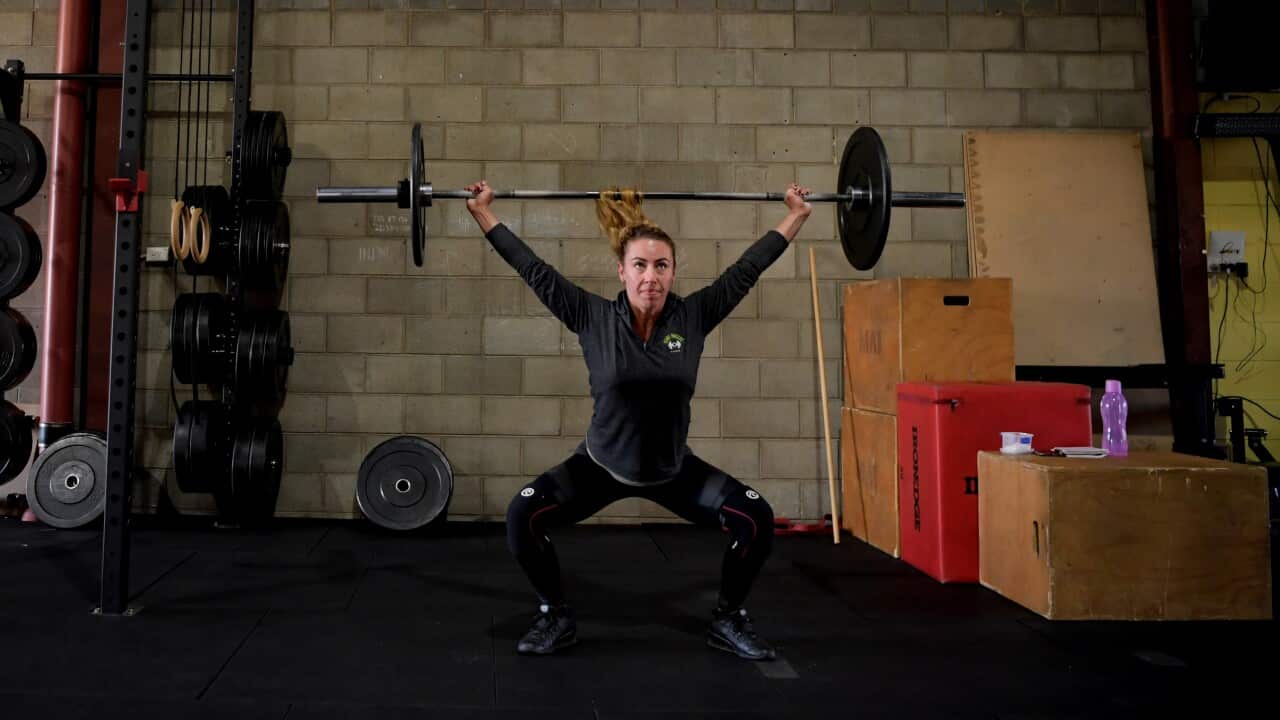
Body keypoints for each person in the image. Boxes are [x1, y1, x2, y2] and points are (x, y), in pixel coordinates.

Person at [464, 180, 813, 661]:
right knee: (522, 515)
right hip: (600, 466)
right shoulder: (590, 315)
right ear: (622, 271)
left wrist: (795, 215)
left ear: (672, 273)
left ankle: (728, 619)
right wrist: (483, 213)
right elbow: (532, 269)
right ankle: (555, 615)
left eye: (662, 266)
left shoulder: (693, 316)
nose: (651, 276)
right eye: (641, 265)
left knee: (757, 519)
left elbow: (747, 270)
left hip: (672, 471)